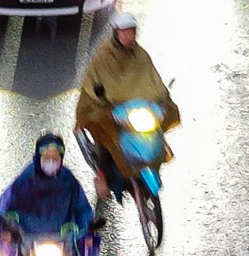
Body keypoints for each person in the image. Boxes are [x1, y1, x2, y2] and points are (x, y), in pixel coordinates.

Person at [72, 12, 177, 213]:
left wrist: (162, 95)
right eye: (124, 32)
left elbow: (151, 79)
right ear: (116, 33)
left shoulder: (141, 55)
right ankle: (102, 176)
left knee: (156, 132)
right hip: (109, 108)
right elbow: (93, 82)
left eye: (132, 32)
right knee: (107, 137)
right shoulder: (103, 57)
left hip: (135, 109)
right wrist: (101, 97)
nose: (129, 36)